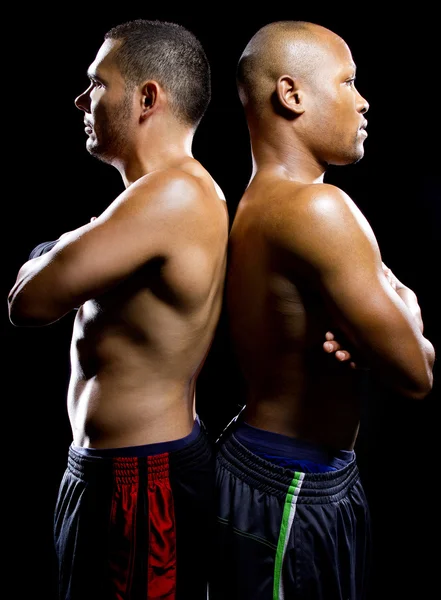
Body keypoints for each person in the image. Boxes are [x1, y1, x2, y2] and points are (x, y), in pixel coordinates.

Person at [209, 20, 435, 600]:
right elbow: (416, 372)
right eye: (349, 81)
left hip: (294, 472)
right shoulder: (319, 209)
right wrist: (404, 305)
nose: (363, 102)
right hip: (289, 484)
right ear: (292, 95)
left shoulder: (260, 202)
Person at [8, 19, 228, 600]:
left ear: (147, 98)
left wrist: (53, 251)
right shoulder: (148, 201)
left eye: (97, 83)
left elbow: (28, 300)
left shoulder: (174, 194)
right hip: (109, 472)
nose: (81, 100)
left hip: (141, 480)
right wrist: (66, 252)